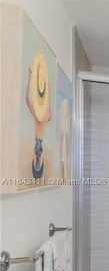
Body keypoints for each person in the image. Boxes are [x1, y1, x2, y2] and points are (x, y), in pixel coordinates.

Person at [25, 51, 52, 179]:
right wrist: (49, 91)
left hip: (38, 142)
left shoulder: (39, 116)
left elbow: (26, 98)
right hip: (38, 142)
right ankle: (38, 170)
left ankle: (38, 170)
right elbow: (49, 112)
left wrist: (30, 76)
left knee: (38, 154)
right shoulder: (43, 116)